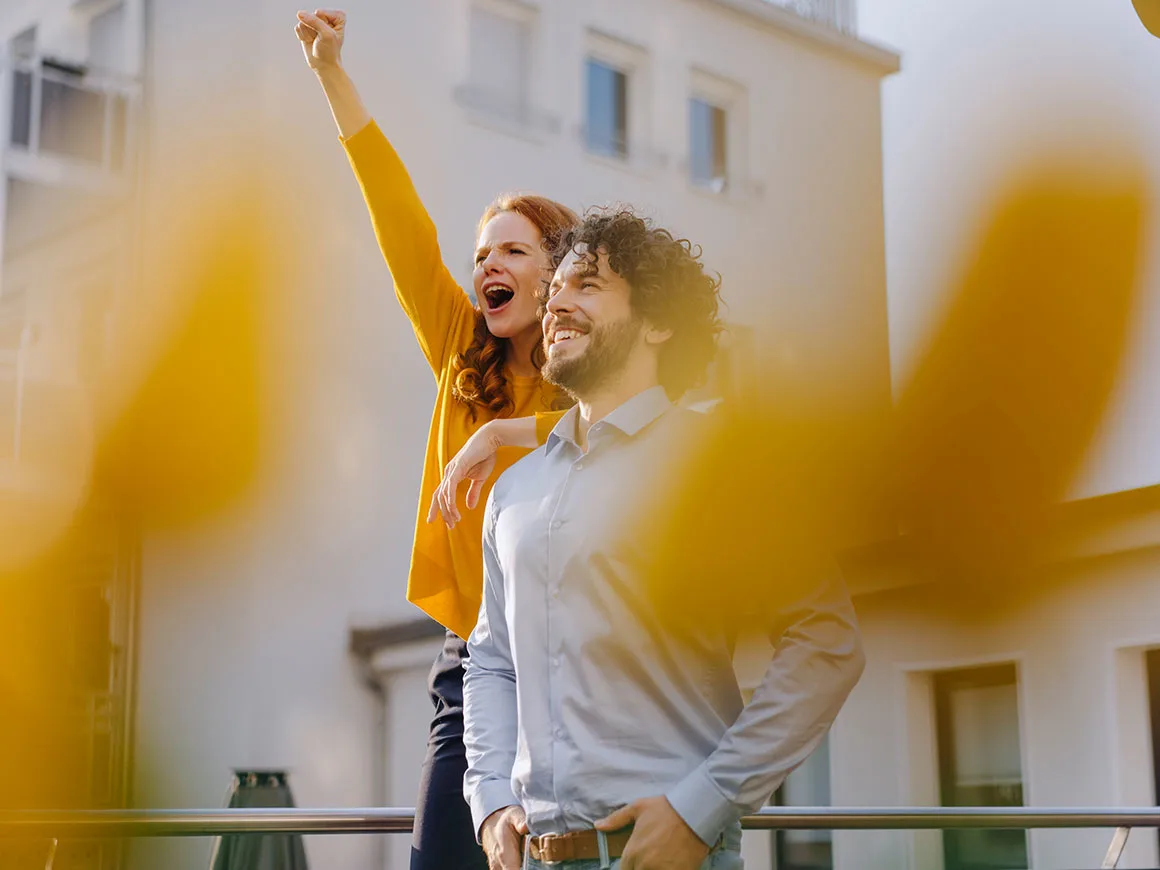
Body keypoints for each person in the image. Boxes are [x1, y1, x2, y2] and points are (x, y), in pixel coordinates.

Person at [463, 208, 865, 870]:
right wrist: (490, 802)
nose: (556, 301)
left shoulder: (719, 466)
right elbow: (491, 663)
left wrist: (703, 804)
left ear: (658, 321)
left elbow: (826, 643)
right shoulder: (514, 492)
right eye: (555, 287)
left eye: (586, 285)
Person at [295, 10, 578, 869]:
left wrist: (499, 439)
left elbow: (629, 435)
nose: (487, 264)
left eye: (513, 250)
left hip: (576, 656)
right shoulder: (463, 352)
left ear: (557, 271)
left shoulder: (595, 377)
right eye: (481, 252)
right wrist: (331, 72)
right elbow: (394, 211)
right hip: (475, 663)